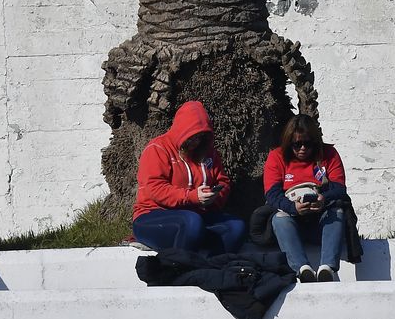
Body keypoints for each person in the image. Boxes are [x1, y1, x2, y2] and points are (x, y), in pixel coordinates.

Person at [132, 100, 246, 254]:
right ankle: (180, 269)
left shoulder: (208, 152)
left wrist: (214, 197)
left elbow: (223, 181)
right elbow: (155, 188)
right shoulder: (158, 148)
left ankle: (210, 266)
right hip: (154, 215)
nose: (195, 142)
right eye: (191, 137)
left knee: (236, 226)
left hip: (199, 214)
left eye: (200, 137)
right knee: (191, 222)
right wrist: (191, 197)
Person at [262, 113, 347, 282]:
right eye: (297, 144)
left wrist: (323, 199)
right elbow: (272, 194)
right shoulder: (276, 157)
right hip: (292, 222)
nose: (302, 148)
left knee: (337, 213)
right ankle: (302, 269)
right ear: (288, 143)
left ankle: (327, 269)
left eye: (307, 144)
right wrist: (293, 208)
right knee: (279, 219)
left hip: (321, 220)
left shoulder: (329, 154)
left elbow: (339, 188)